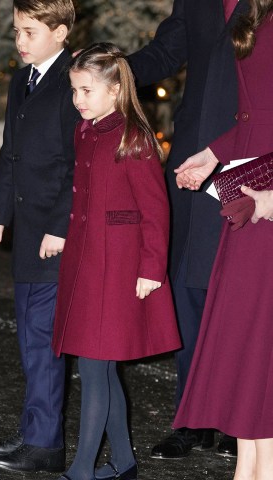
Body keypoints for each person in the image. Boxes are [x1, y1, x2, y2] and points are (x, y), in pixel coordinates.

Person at [51, 43, 181, 480]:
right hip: (86, 264)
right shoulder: (85, 131)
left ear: (115, 89)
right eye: (74, 91)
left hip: (119, 266)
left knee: (95, 367)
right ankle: (123, 461)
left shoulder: (133, 137)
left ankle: (81, 469)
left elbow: (155, 210)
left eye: (87, 91)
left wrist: (150, 268)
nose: (78, 100)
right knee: (98, 367)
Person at [124, 0, 246, 458]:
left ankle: (240, 419)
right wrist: (115, 72)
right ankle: (192, 418)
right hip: (192, 161)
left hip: (251, 157)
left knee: (240, 291)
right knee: (188, 288)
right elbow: (166, 50)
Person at [173, 2, 273, 478]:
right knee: (246, 351)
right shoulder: (257, 17)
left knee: (262, 353)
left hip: (266, 206)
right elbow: (257, 119)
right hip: (247, 202)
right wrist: (214, 152)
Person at [0, 0, 80, 473]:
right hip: (27, 235)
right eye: (16, 32)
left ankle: (46, 443)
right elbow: (10, 154)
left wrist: (60, 228)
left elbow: (80, 166)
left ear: (60, 32)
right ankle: (33, 428)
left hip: (55, 237)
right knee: (28, 338)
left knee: (42, 339)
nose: (19, 42)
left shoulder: (74, 83)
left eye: (29, 32)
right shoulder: (23, 80)